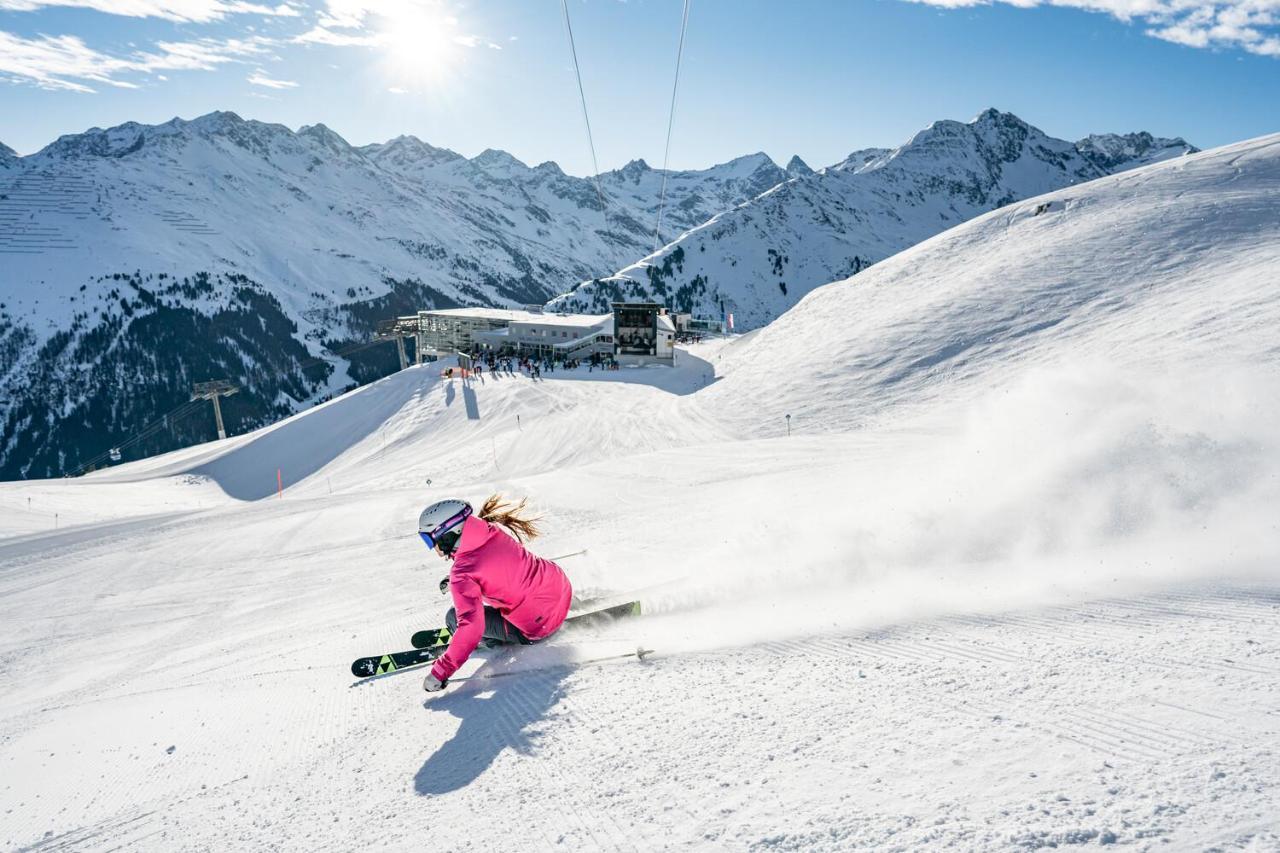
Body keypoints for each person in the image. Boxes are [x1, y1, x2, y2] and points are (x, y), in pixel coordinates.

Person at [416, 495, 573, 693]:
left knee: (454, 618)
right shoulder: (491, 530)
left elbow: (472, 626)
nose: (432, 548)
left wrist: (440, 672)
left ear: (447, 534)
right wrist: (458, 582)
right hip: (561, 587)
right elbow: (498, 568)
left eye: (430, 540)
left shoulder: (462, 573)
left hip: (538, 626)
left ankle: (491, 642)